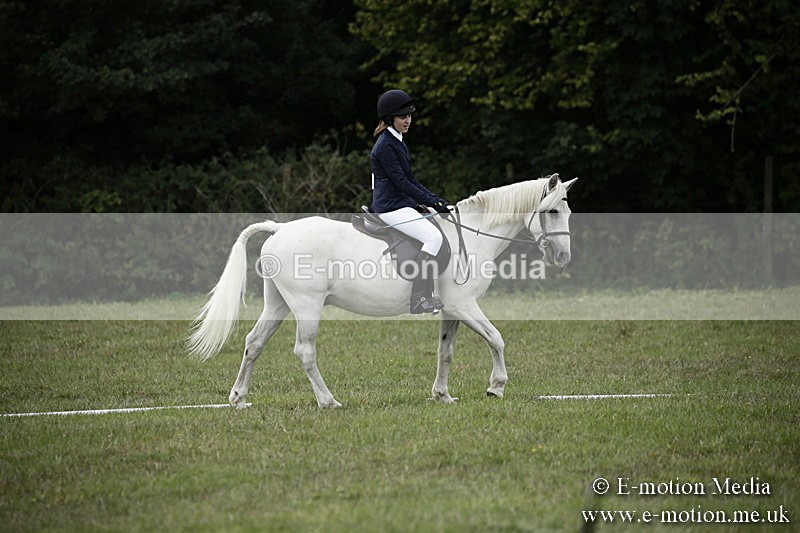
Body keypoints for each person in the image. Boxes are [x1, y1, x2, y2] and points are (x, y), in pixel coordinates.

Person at [370, 89, 451, 314]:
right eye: (402, 117)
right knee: (433, 237)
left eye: (409, 116)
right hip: (390, 207)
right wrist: (434, 203)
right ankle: (418, 298)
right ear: (389, 119)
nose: (408, 120)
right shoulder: (385, 145)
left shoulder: (397, 140)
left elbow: (410, 181)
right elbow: (403, 183)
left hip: (401, 202)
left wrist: (436, 201)